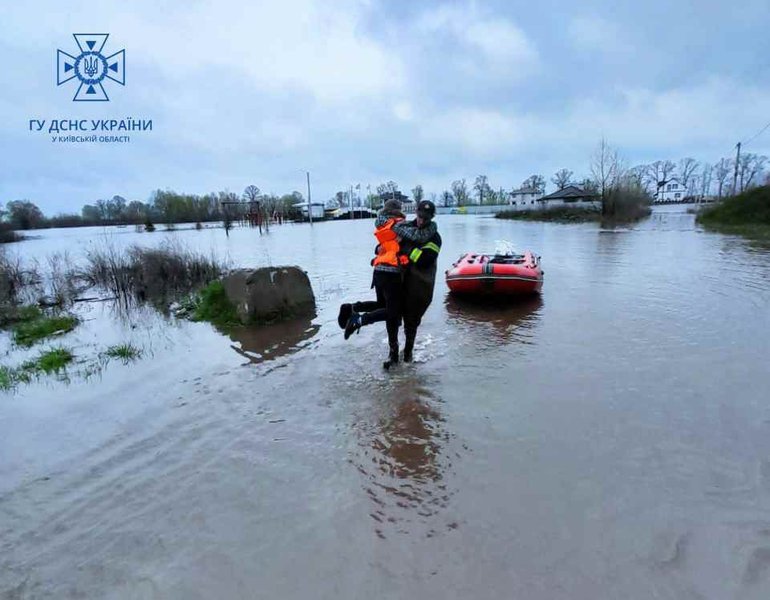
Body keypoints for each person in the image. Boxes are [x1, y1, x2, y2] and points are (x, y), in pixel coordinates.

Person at [339, 200, 409, 366]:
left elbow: (381, 247)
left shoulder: (382, 224)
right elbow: (415, 238)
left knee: (382, 307)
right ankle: (359, 320)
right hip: (392, 274)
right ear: (398, 210)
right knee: (393, 312)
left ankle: (352, 308)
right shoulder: (400, 225)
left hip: (378, 272)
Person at [396, 200, 441, 362]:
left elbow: (424, 260)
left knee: (411, 321)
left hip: (420, 285)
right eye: (420, 217)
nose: (421, 221)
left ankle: (408, 354)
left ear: (432, 217)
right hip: (400, 280)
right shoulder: (405, 228)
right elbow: (386, 245)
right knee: (392, 315)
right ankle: (393, 353)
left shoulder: (435, 238)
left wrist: (406, 249)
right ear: (416, 213)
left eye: (425, 218)